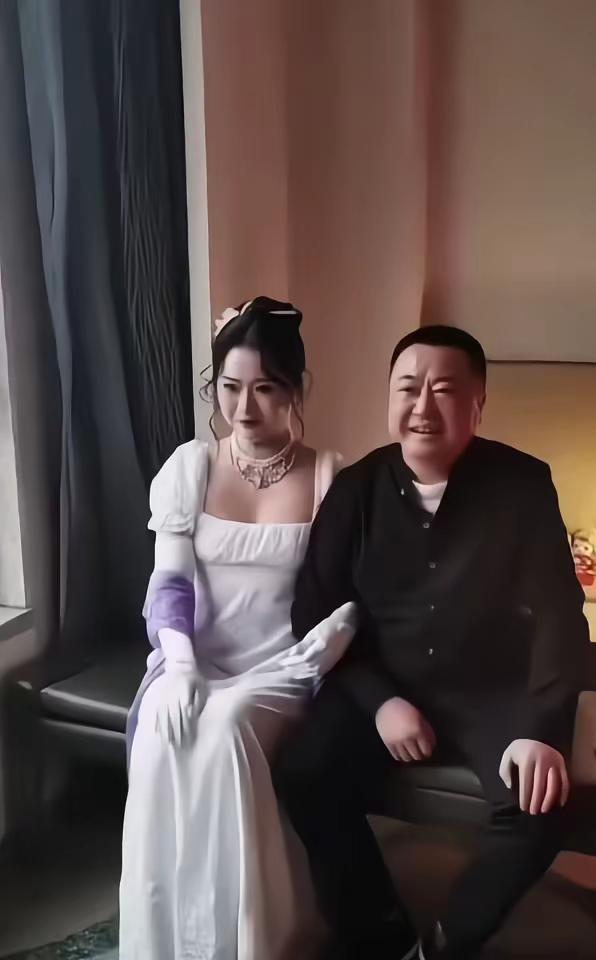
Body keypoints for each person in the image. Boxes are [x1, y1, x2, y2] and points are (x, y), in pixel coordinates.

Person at [275, 324, 590, 960]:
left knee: (541, 807)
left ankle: (447, 942)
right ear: (389, 397)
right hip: (384, 681)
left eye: (443, 390)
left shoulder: (523, 484)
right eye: (408, 388)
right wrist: (379, 701)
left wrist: (541, 728)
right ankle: (379, 933)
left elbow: (561, 616)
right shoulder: (356, 489)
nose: (423, 406)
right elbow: (313, 612)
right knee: (305, 772)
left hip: (490, 687)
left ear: (478, 404)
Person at [119, 296, 356, 960]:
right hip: (192, 656)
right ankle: (167, 940)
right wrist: (181, 663)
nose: (244, 408)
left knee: (225, 727)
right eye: (229, 388)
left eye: (265, 389)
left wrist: (323, 648)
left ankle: (247, 939)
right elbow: (170, 583)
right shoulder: (190, 468)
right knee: (166, 725)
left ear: (296, 389)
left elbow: (352, 594)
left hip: (283, 669)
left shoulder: (330, 476)